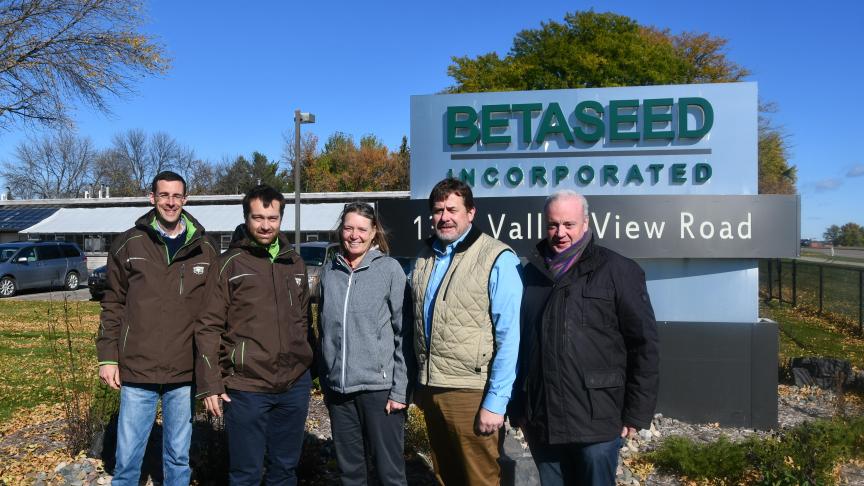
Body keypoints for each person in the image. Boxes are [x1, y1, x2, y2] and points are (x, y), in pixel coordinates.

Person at [510, 190, 659, 486]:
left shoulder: (618, 270)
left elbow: (644, 345)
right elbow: (519, 345)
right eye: (553, 225)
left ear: (586, 224)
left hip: (598, 419)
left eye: (569, 224)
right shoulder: (531, 275)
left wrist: (636, 413)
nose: (560, 233)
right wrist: (519, 407)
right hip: (544, 420)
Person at [96, 171, 219, 486]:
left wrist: (212, 369)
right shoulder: (129, 243)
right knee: (127, 463)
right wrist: (108, 357)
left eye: (177, 196)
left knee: (178, 460)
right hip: (138, 369)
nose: (170, 202)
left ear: (185, 200)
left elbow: (213, 314)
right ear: (152, 198)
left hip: (183, 371)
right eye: (164, 195)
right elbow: (113, 304)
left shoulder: (204, 247)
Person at [194, 185, 314, 486]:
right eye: (258, 217)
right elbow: (208, 325)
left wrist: (309, 370)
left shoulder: (294, 263)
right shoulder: (229, 264)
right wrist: (210, 383)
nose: (265, 225)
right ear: (246, 217)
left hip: (293, 384)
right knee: (245, 474)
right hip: (247, 386)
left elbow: (303, 320)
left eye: (272, 218)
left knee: (284, 471)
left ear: (281, 218)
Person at [411, 178, 522, 486]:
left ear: (470, 213)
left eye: (452, 209)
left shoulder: (497, 258)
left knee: (479, 480)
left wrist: (496, 401)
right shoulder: (424, 258)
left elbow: (509, 337)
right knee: (445, 476)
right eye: (438, 210)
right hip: (432, 387)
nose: (444, 216)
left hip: (471, 392)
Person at [318, 202, 411, 486]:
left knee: (389, 474)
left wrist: (400, 391)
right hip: (340, 393)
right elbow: (323, 328)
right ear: (340, 231)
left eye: (361, 229)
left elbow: (403, 333)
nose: (354, 235)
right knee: (351, 475)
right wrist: (327, 379)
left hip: (379, 391)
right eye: (348, 228)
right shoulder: (329, 272)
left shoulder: (390, 270)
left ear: (374, 233)